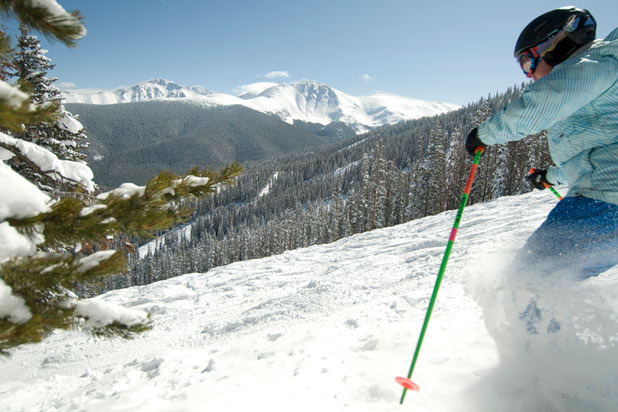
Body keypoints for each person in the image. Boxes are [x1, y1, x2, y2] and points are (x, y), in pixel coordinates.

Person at [464, 6, 618, 279]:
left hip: (605, 205)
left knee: (529, 283)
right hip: (605, 199)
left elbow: (540, 104)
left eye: (528, 63)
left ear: (555, 45)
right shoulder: (597, 74)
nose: (529, 74)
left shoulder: (591, 64)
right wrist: (552, 176)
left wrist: (485, 134)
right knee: (545, 286)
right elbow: (598, 156)